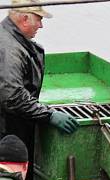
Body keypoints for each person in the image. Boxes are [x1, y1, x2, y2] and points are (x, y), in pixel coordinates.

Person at [0, 0, 78, 165]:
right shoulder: (11, 50)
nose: (41, 25)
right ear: (25, 19)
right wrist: (49, 115)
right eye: (39, 19)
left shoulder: (8, 37)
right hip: (7, 130)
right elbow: (12, 96)